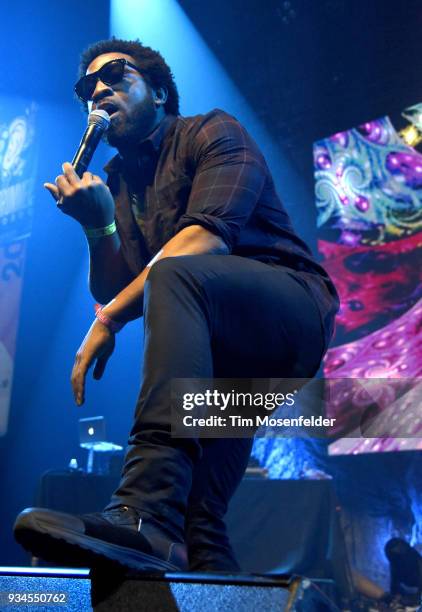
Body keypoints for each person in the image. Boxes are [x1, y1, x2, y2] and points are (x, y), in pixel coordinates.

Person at [14, 38, 339, 573]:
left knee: (174, 274)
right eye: (85, 86)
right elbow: (113, 283)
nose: (97, 89)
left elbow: (204, 241)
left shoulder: (211, 132)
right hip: (228, 366)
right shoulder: (117, 179)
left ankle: (144, 511)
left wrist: (112, 317)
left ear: (159, 91)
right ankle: (193, 559)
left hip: (290, 316)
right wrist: (97, 224)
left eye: (115, 75)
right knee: (199, 522)